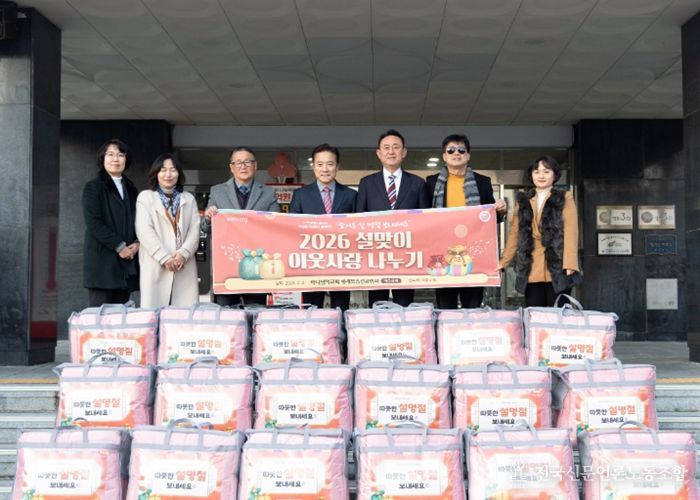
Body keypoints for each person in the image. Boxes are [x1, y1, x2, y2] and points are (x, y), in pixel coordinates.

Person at [426, 133, 507, 309]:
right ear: (444, 156)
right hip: (443, 253)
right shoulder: (431, 183)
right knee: (445, 306)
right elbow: (424, 218)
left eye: (461, 150)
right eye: (451, 150)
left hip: (474, 253)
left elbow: (489, 218)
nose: (456, 153)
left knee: (473, 305)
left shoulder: (482, 182)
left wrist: (500, 211)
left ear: (468, 155)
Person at [356, 129, 429, 307]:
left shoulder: (418, 183)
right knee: (377, 304)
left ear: (404, 152)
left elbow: (426, 222)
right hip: (376, 256)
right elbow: (359, 219)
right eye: (386, 148)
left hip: (407, 256)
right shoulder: (367, 183)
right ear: (379, 153)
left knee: (404, 304)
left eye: (396, 147)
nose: (391, 152)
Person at [202, 146, 281, 306]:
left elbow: (277, 225)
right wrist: (209, 218)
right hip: (226, 265)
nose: (243, 166)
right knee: (226, 314)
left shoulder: (268, 193)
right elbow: (205, 228)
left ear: (255, 165)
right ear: (231, 167)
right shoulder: (218, 191)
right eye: (238, 163)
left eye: (247, 162)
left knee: (256, 311)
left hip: (257, 264)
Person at [499, 155, 581, 307]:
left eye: (546, 171)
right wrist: (503, 262)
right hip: (531, 266)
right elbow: (514, 234)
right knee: (535, 313)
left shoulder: (565, 197)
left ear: (555, 175)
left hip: (558, 265)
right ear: (531, 175)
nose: (541, 175)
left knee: (558, 313)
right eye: (536, 172)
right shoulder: (523, 201)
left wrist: (570, 263)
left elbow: (571, 231)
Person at [289, 143, 357, 311]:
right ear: (314, 167)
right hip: (311, 263)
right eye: (320, 164)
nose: (325, 169)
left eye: (330, 164)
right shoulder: (300, 195)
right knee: (312, 311)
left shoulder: (351, 195)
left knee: (341, 309)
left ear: (337, 166)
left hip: (341, 263)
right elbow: (291, 229)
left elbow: (358, 229)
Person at [135, 154, 200, 308]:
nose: (168, 174)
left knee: (184, 313)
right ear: (156, 173)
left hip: (182, 264)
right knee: (154, 314)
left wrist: (184, 254)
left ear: (179, 173)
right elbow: (144, 230)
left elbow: (195, 230)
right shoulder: (146, 197)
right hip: (156, 263)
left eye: (173, 170)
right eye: (163, 170)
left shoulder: (188, 198)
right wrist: (164, 257)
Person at [82, 139, 139, 307]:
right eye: (111, 154)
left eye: (120, 155)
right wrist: (119, 246)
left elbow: (138, 219)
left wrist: (137, 243)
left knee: (120, 316)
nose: (116, 159)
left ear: (126, 159)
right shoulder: (93, 187)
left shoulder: (131, 188)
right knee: (99, 316)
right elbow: (94, 223)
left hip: (125, 265)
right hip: (102, 264)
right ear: (102, 158)